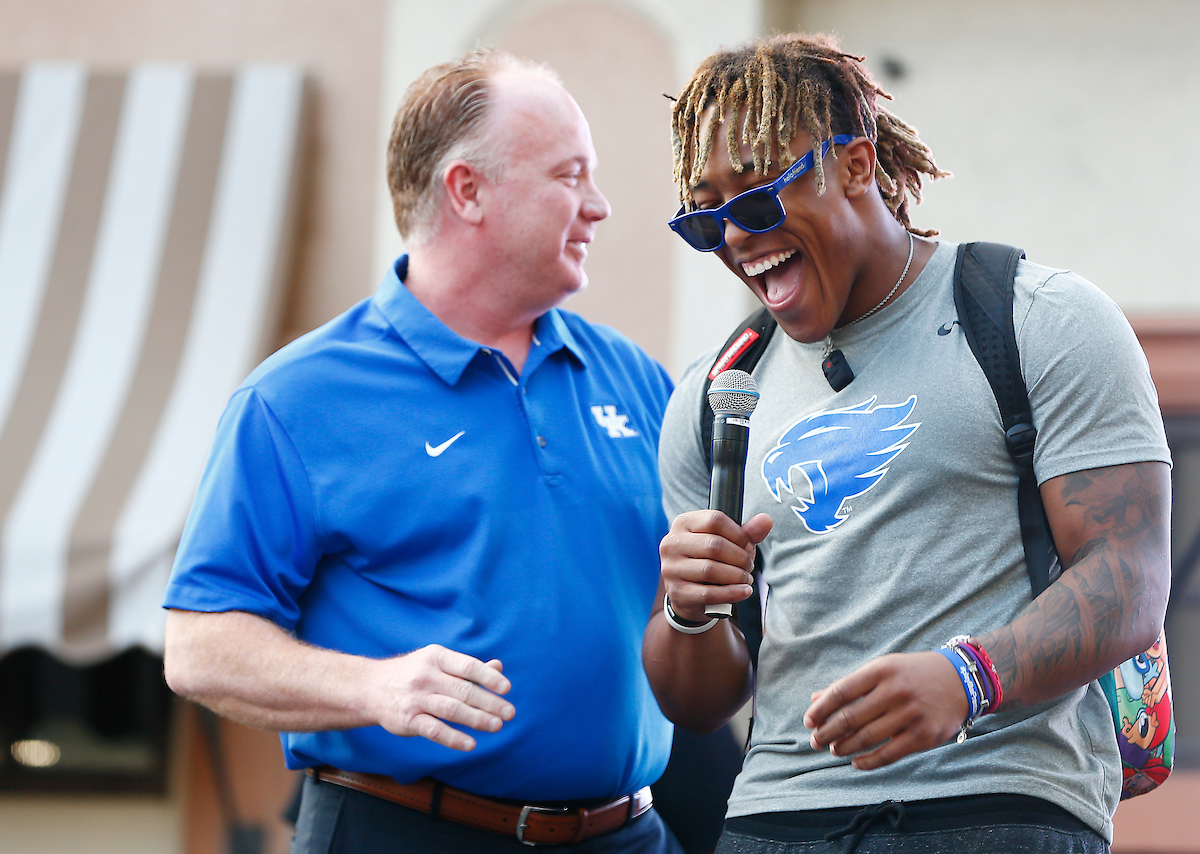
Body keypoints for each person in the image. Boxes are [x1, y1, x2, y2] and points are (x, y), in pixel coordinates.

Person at [643, 32, 1172, 854]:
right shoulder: (715, 397)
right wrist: (686, 609)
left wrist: (969, 679)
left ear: (855, 166)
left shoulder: (1039, 319)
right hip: (777, 821)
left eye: (755, 202)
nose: (737, 240)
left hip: (997, 806)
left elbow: (1130, 579)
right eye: (708, 221)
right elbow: (699, 702)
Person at [163, 48, 684, 854]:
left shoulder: (636, 379)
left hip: (628, 833)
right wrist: (371, 687)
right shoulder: (297, 398)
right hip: (401, 831)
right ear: (467, 190)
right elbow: (200, 645)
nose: (599, 206)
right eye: (569, 176)